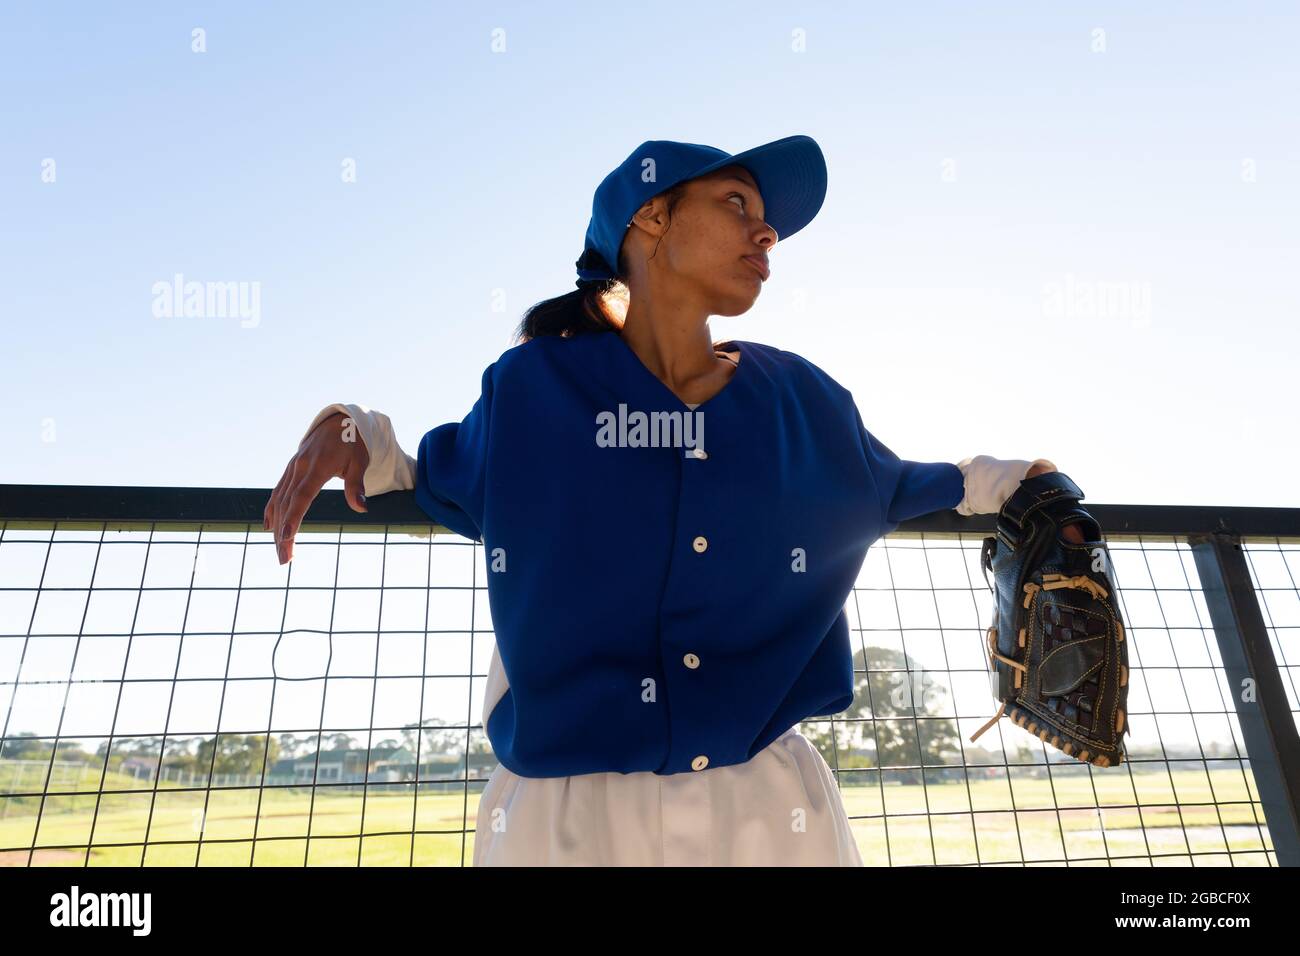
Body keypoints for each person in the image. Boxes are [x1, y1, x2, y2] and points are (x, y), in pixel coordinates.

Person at [263, 135, 1078, 866]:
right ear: (650, 218)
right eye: (737, 206)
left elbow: (935, 485)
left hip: (766, 813)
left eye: (769, 222)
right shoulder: (532, 391)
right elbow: (406, 469)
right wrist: (342, 423)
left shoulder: (803, 399)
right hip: (564, 823)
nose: (767, 234)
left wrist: (1040, 483)